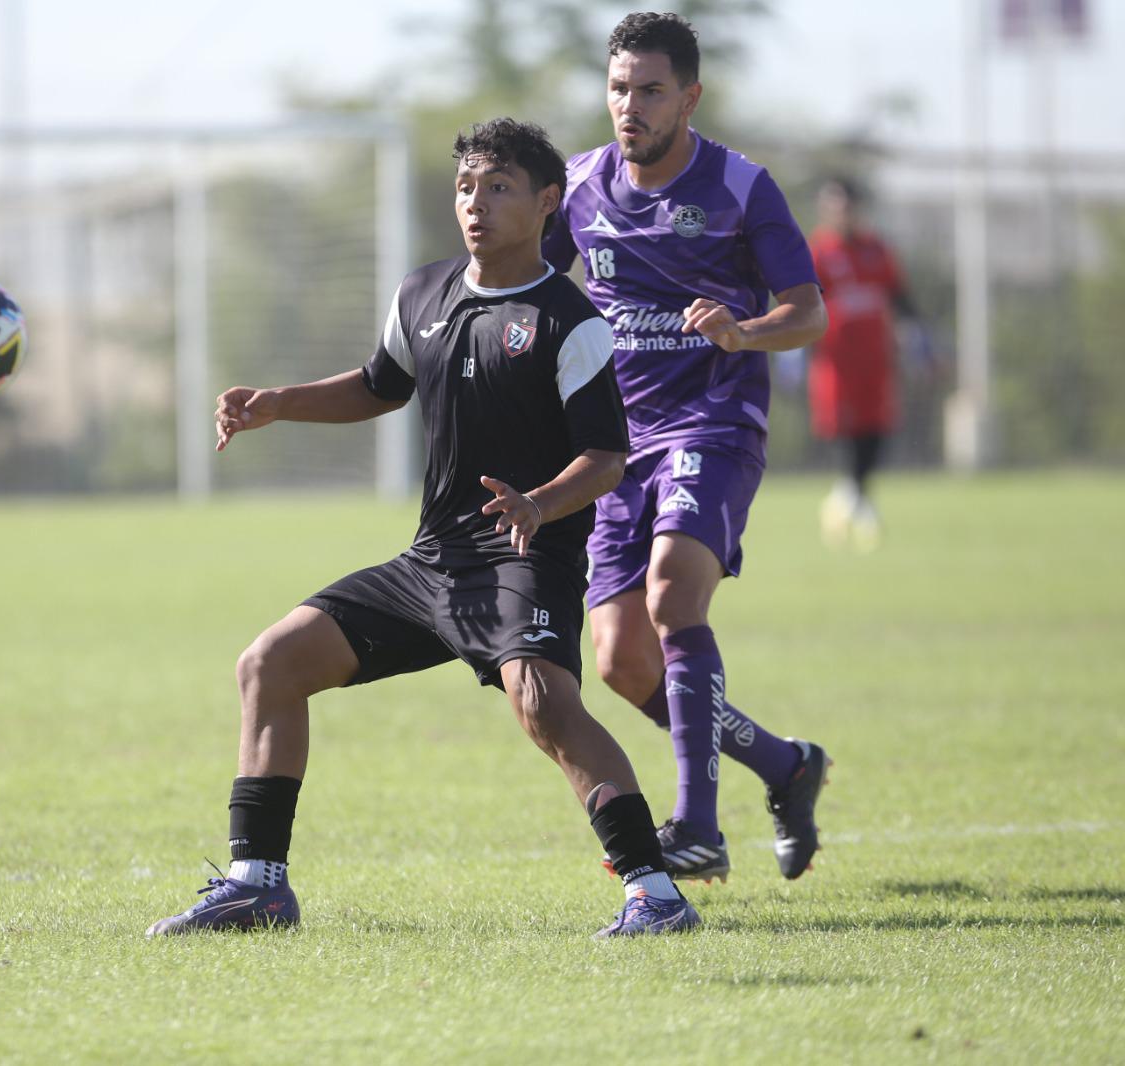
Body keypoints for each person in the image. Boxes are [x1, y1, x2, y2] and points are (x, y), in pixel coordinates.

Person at [147, 118, 700, 940]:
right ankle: (256, 884)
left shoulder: (569, 320)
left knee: (544, 702)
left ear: (547, 203)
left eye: (499, 187)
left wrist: (540, 504)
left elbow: (607, 459)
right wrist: (279, 403)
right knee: (270, 662)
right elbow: (379, 385)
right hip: (432, 562)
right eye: (466, 186)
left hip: (523, 554)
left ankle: (655, 894)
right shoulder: (423, 293)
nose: (475, 203)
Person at [541, 12, 831, 884]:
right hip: (614, 449)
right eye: (620, 89)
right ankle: (785, 766)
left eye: (652, 91)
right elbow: (542, 291)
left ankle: (696, 829)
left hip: (712, 426)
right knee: (620, 660)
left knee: (673, 597)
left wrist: (743, 334)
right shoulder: (579, 186)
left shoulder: (743, 187)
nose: (631, 106)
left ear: (690, 97)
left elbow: (808, 311)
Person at [807, 176, 929, 551]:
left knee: (876, 433)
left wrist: (920, 338)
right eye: (833, 205)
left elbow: (899, 296)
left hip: (876, 362)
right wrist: (795, 352)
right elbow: (797, 302)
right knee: (846, 437)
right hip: (835, 365)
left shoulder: (876, 250)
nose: (840, 212)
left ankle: (846, 500)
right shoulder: (817, 252)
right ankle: (862, 508)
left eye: (846, 205)